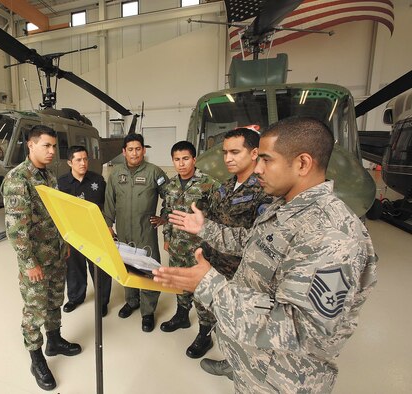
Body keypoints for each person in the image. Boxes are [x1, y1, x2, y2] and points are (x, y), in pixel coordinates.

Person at [153, 117, 377, 393]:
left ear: (303, 163)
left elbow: (305, 329)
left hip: (282, 380)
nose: (257, 168)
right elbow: (252, 243)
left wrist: (209, 285)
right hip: (254, 366)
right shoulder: (284, 208)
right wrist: (205, 228)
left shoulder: (332, 234)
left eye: (267, 160)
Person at [1, 125, 82, 392]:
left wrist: (63, 244)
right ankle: (36, 359)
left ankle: (55, 340)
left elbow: (55, 215)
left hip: (55, 253)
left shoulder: (49, 176)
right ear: (31, 145)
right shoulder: (18, 180)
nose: (51, 151)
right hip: (35, 260)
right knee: (35, 309)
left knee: (54, 300)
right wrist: (29, 263)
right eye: (46, 146)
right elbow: (16, 231)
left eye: (53, 147)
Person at [200, 127, 271, 372]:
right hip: (217, 265)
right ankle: (231, 360)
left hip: (243, 274)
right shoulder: (225, 187)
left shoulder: (264, 191)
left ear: (254, 153)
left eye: (234, 152)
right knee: (223, 320)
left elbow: (260, 240)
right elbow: (213, 221)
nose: (227, 158)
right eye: (225, 152)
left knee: (245, 324)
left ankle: (239, 369)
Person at [160, 141, 220, 359]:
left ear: (194, 159)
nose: (181, 163)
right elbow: (167, 212)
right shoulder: (171, 185)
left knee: (201, 291)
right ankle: (182, 316)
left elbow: (216, 219)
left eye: (185, 158)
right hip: (177, 246)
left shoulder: (209, 184)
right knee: (179, 284)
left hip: (199, 250)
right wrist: (167, 237)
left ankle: (205, 333)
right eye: (177, 159)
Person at [103, 133, 168, 332]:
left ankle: (148, 311)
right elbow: (110, 201)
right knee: (127, 266)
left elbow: (171, 197)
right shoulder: (115, 174)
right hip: (123, 231)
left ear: (144, 150)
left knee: (148, 269)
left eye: (138, 149)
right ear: (124, 152)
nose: (134, 153)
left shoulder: (154, 172)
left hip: (145, 231)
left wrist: (164, 216)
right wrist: (108, 224)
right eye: (130, 149)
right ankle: (131, 301)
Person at [57, 145, 111, 317]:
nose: (83, 163)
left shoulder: (98, 180)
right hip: (73, 234)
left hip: (96, 233)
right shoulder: (61, 183)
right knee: (74, 268)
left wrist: (110, 226)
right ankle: (75, 297)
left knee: (100, 268)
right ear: (69, 162)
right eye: (78, 160)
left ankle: (102, 302)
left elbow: (108, 205)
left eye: (85, 159)